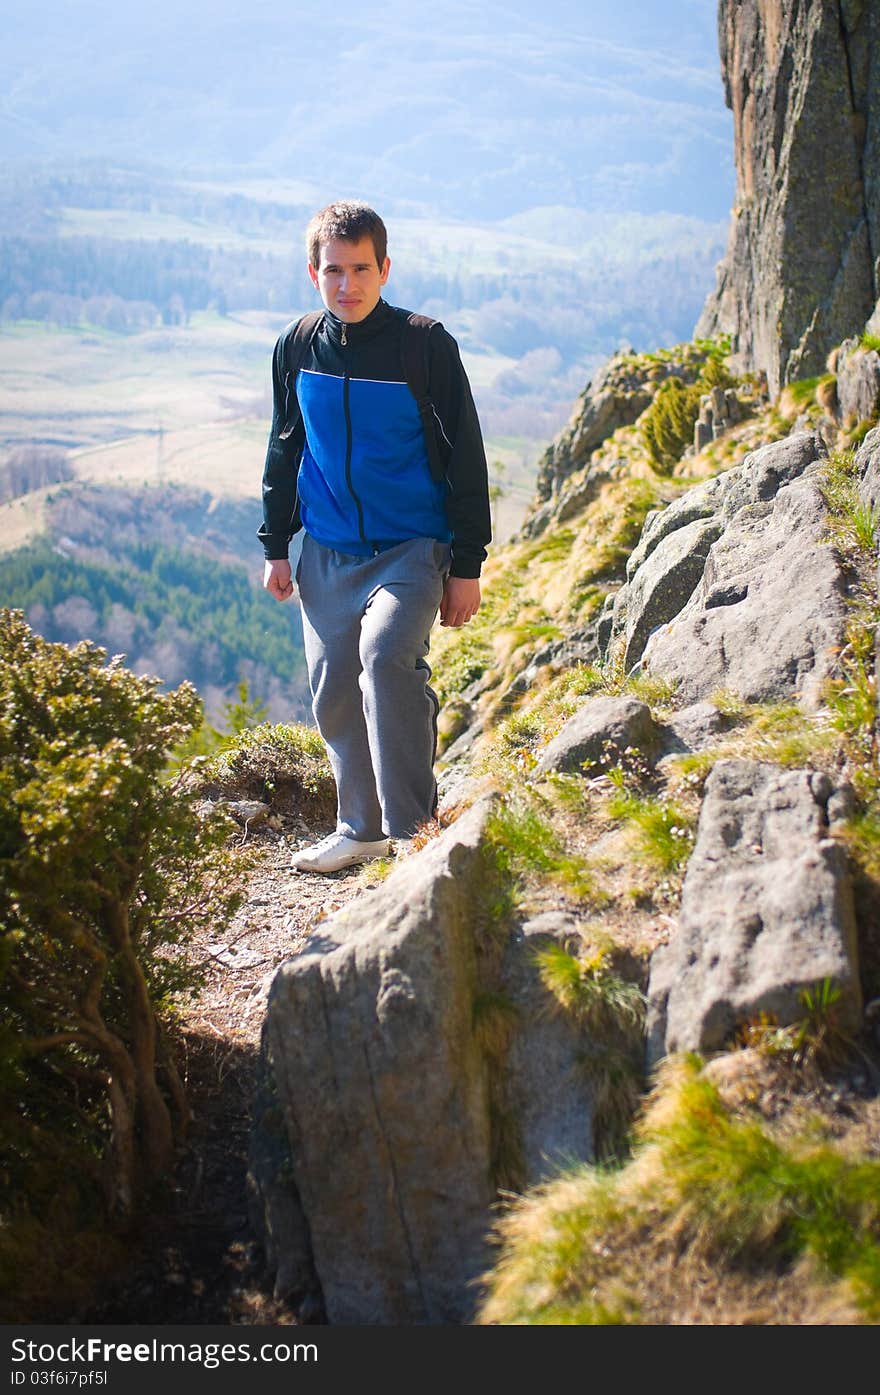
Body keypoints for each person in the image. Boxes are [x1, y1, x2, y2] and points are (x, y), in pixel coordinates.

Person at [259, 201, 491, 873]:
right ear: (314, 273)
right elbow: (284, 449)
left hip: (411, 546)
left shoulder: (425, 346)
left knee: (387, 659)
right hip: (326, 550)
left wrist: (466, 564)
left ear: (385, 268)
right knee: (333, 685)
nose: (347, 285)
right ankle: (359, 829)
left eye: (362, 269)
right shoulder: (299, 346)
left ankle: (414, 831)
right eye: (334, 270)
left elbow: (465, 458)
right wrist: (278, 544)